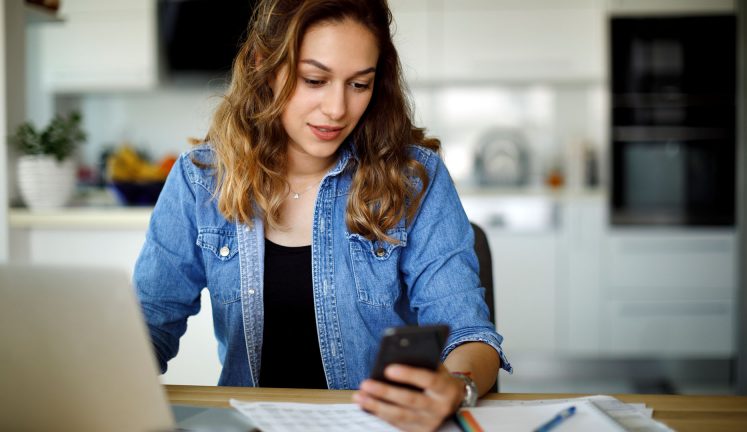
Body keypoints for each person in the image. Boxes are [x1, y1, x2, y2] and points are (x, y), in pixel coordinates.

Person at [134, 0, 511, 430]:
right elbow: (147, 327)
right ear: (264, 66)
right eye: (314, 79)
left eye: (359, 85)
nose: (337, 109)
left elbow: (471, 335)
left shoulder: (414, 178)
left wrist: (456, 385)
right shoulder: (200, 181)